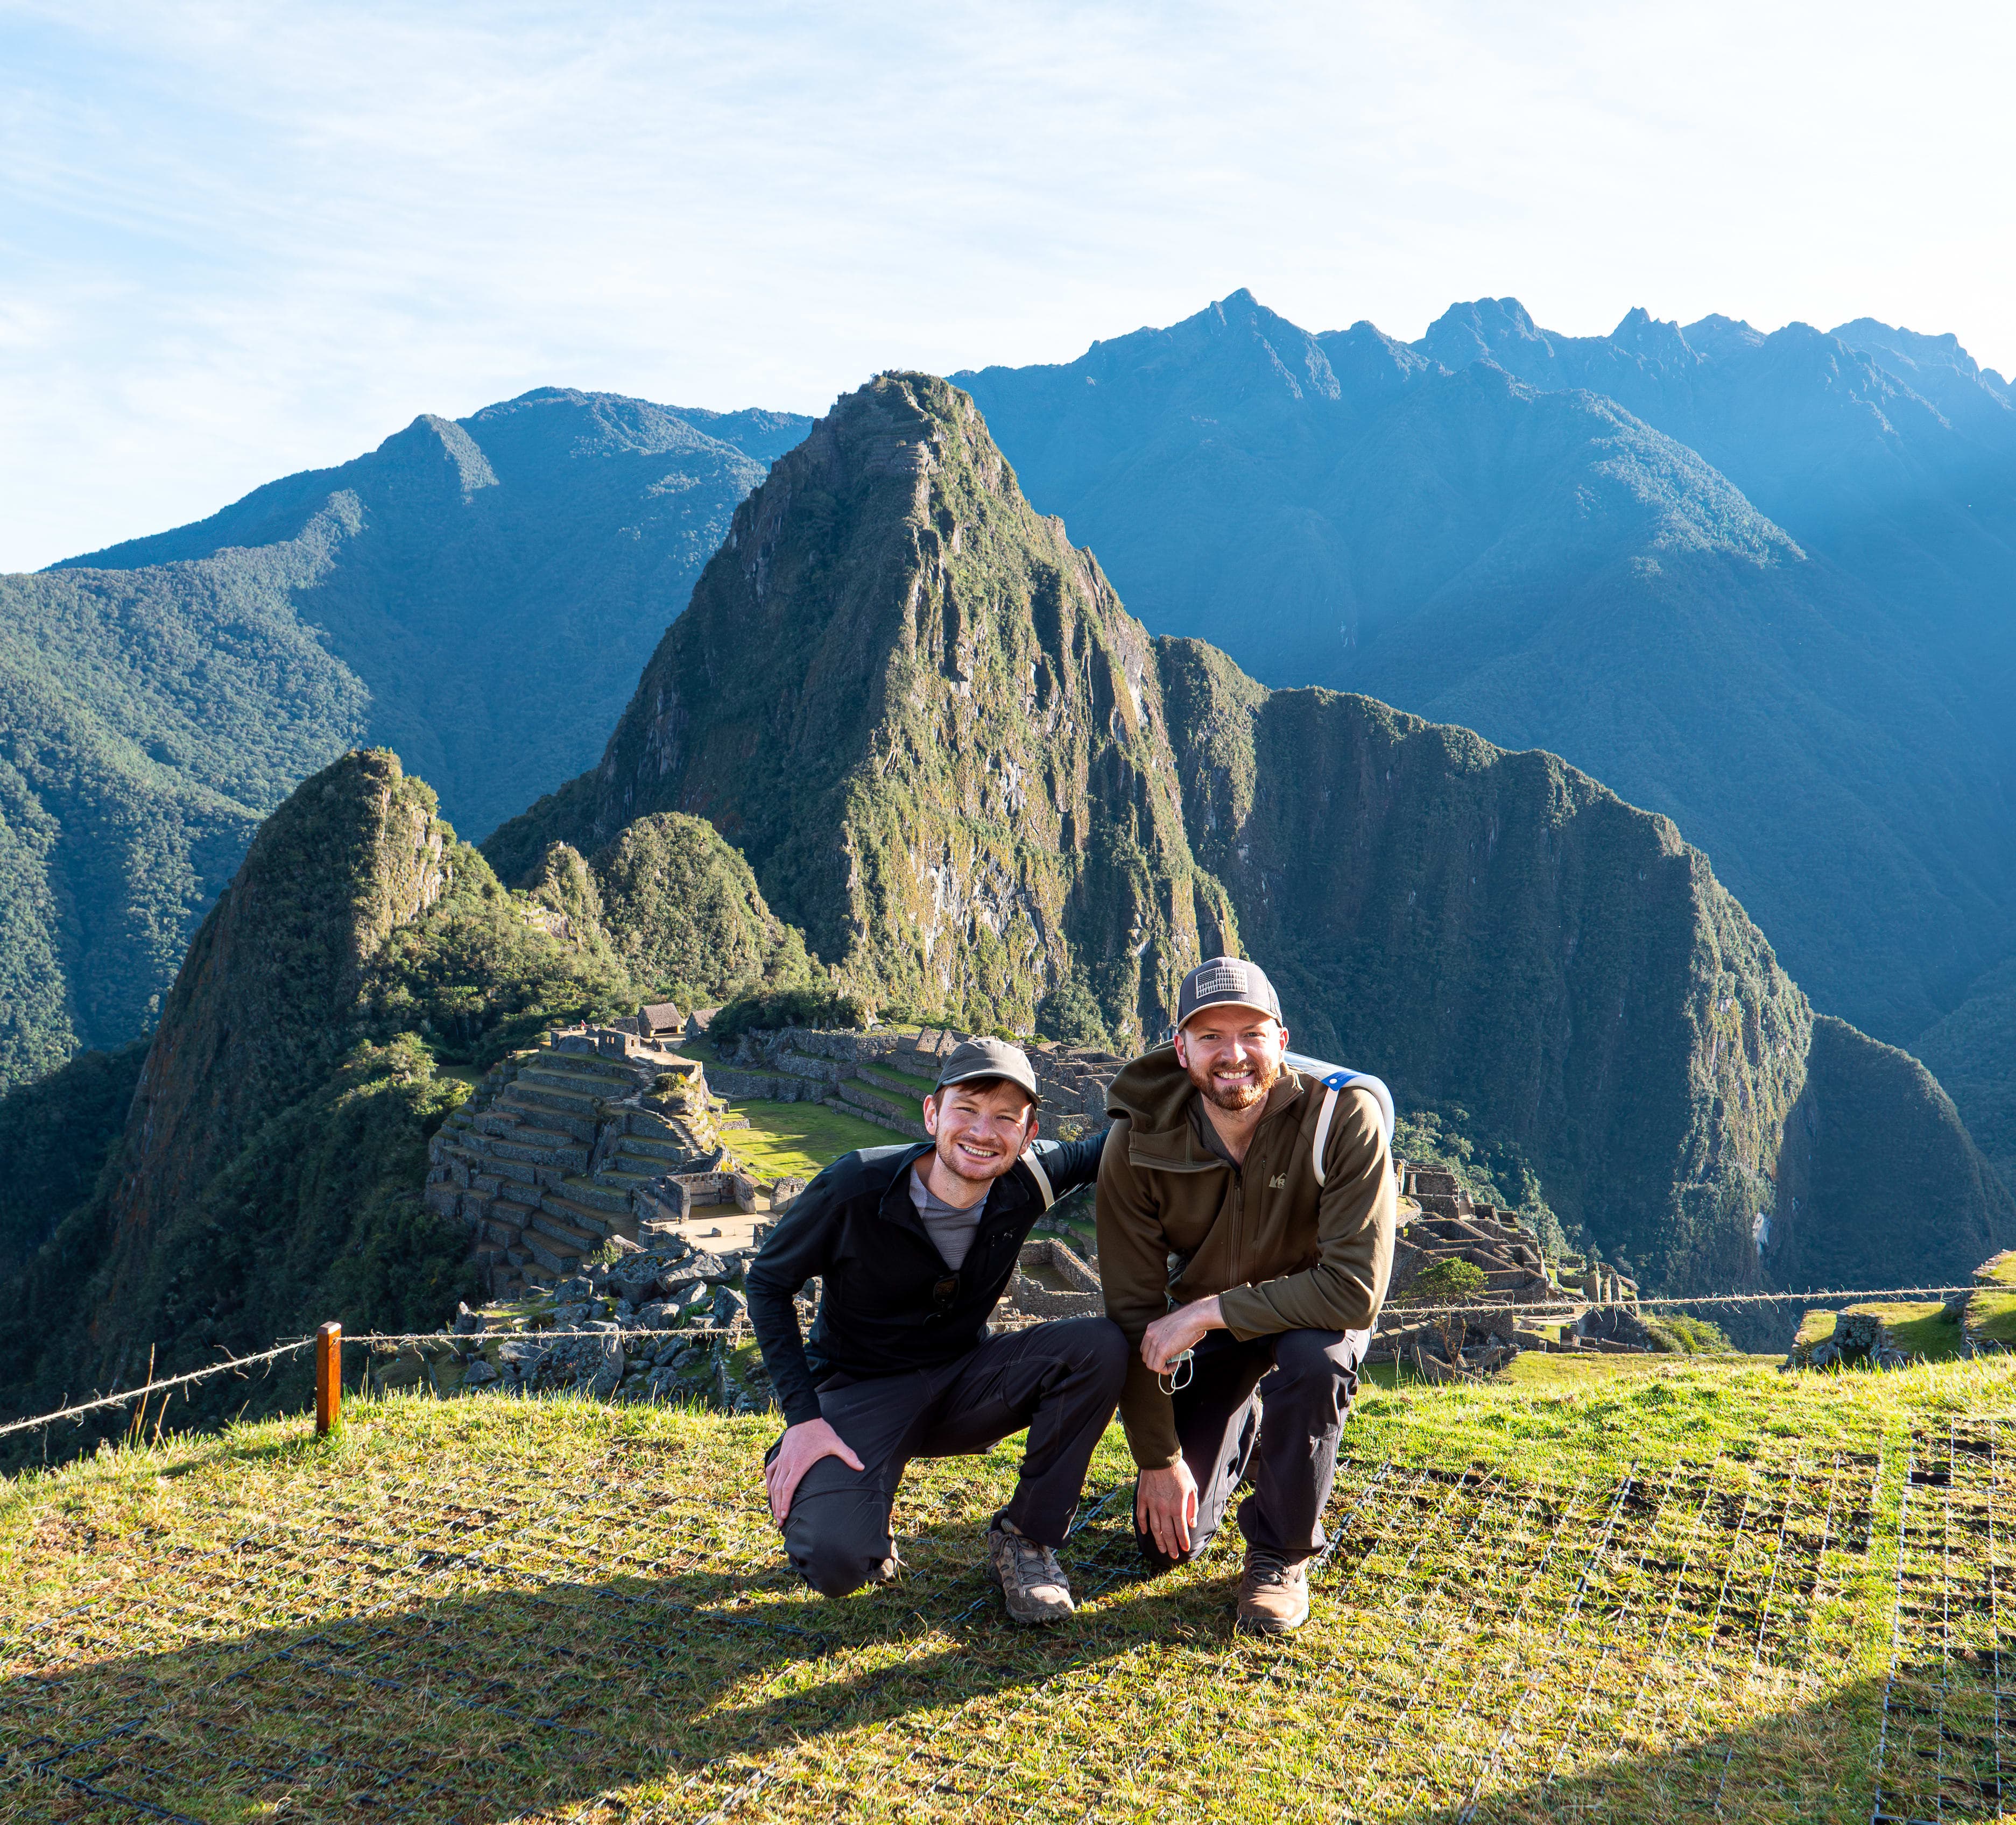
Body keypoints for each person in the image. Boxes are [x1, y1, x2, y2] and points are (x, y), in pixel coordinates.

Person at [745, 1036, 1125, 1624]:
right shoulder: (854, 1188)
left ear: (1028, 1133)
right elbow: (768, 1284)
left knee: (1098, 1346)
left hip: (962, 1382)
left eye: (1005, 1117)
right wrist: (802, 1418)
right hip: (859, 1389)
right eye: (966, 1110)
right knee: (836, 1561)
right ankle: (849, 1492)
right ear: (932, 1113)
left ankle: (1025, 1537)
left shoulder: (1028, 1181)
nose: (983, 1131)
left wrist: (1196, 1060)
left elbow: (1115, 1142)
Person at [1096, 957, 1395, 1634]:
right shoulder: (1138, 1140)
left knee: (1313, 1364)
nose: (1232, 1054)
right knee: (1165, 1545)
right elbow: (1134, 1314)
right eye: (1209, 1036)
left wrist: (1207, 1311)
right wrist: (1158, 1460)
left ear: (1280, 1041)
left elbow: (1351, 1291)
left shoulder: (1342, 1117)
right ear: (1180, 1049)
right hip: (1218, 1336)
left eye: (1251, 1033)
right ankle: (1250, 1426)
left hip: (1311, 1313)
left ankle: (1280, 1553)